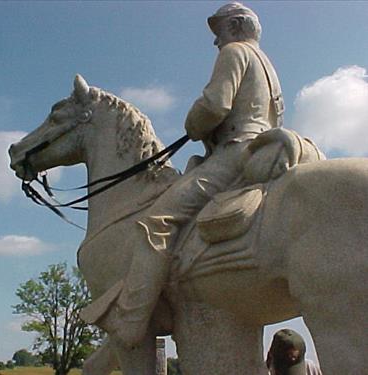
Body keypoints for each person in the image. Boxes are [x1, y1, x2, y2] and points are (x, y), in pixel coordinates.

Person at [96, 2, 285, 348]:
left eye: (220, 31)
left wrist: (192, 122)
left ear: (237, 26)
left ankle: (131, 319)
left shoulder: (235, 52)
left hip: (235, 153)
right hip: (261, 149)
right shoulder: (268, 65)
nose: (216, 42)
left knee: (158, 220)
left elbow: (215, 105)